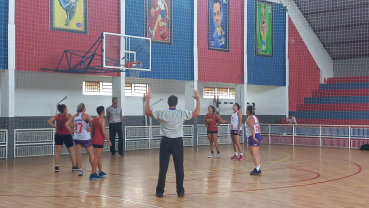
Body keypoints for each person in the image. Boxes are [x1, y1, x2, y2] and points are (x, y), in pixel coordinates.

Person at [145, 89, 200, 197]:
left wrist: (147, 100)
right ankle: (180, 190)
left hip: (165, 141)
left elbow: (147, 112)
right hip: (177, 142)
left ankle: (160, 191)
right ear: (177, 103)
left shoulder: (162, 112)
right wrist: (198, 99)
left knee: (163, 167)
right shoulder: (181, 113)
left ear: (167, 103)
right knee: (179, 167)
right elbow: (197, 113)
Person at [65, 103, 94, 176]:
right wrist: (91, 128)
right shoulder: (86, 115)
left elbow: (66, 124)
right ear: (84, 108)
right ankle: (94, 170)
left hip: (76, 137)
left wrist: (72, 131)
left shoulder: (74, 116)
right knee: (90, 153)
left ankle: (80, 170)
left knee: (78, 154)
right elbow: (94, 122)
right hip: (85, 137)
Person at [47, 104, 78, 172]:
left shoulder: (57, 115)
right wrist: (72, 130)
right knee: (71, 151)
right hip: (67, 135)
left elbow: (49, 121)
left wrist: (55, 126)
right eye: (66, 108)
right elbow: (71, 123)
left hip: (58, 135)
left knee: (58, 151)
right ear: (64, 109)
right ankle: (74, 166)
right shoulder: (68, 115)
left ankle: (56, 166)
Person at [89, 106, 112, 180]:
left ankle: (100, 171)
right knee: (96, 157)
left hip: (94, 139)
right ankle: (93, 174)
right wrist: (108, 140)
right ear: (103, 111)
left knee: (99, 156)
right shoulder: (102, 120)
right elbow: (103, 131)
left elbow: (92, 130)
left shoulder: (94, 119)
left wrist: (92, 140)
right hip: (99, 140)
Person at [245, 106, 262, 175]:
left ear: (248, 111)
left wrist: (254, 137)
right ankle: (257, 167)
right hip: (258, 134)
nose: (245, 111)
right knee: (257, 154)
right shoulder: (256, 118)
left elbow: (252, 128)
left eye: (246, 110)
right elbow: (259, 127)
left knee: (254, 154)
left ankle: (257, 169)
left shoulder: (249, 118)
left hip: (252, 136)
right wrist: (260, 136)